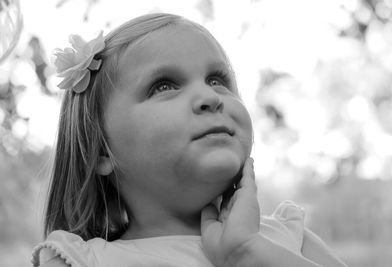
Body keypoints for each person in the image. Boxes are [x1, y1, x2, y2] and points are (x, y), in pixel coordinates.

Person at [32, 13, 347, 267]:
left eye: (217, 80)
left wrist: (249, 253)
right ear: (101, 150)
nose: (209, 96)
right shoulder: (82, 261)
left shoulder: (289, 236)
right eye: (164, 86)